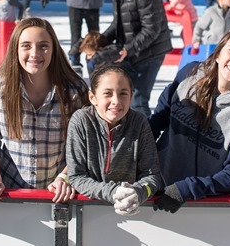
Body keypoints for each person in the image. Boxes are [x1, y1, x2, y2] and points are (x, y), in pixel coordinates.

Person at [149, 27, 230, 213]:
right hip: (157, 189)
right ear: (218, 54)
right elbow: (155, 123)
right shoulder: (188, 74)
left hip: (204, 204)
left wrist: (187, 189)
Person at [0, 17, 89, 202]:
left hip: (58, 192)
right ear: (15, 48)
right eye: (26, 46)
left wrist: (66, 176)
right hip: (10, 189)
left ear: (54, 49)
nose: (35, 53)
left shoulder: (74, 90)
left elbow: (82, 142)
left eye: (43, 46)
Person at [66, 65, 163, 215]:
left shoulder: (139, 123)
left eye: (123, 93)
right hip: (88, 212)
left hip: (133, 212)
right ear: (93, 97)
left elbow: (152, 176)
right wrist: (113, 192)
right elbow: (76, 176)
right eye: (107, 94)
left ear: (131, 96)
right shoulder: (81, 121)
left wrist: (138, 192)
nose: (116, 101)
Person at [101, 0, 173, 117]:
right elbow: (118, 22)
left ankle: (148, 140)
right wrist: (101, 40)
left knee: (138, 100)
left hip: (150, 52)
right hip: (134, 50)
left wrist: (128, 49)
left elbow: (152, 29)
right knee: (128, 97)